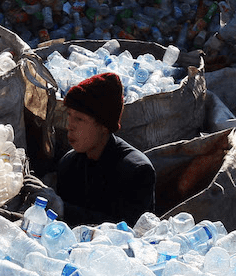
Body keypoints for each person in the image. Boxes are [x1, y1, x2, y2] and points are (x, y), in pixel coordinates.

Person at [50, 72, 156, 227]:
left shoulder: (136, 172)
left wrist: (62, 209)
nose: (69, 126)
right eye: (69, 116)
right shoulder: (69, 163)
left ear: (104, 126)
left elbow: (127, 231)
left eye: (79, 119)